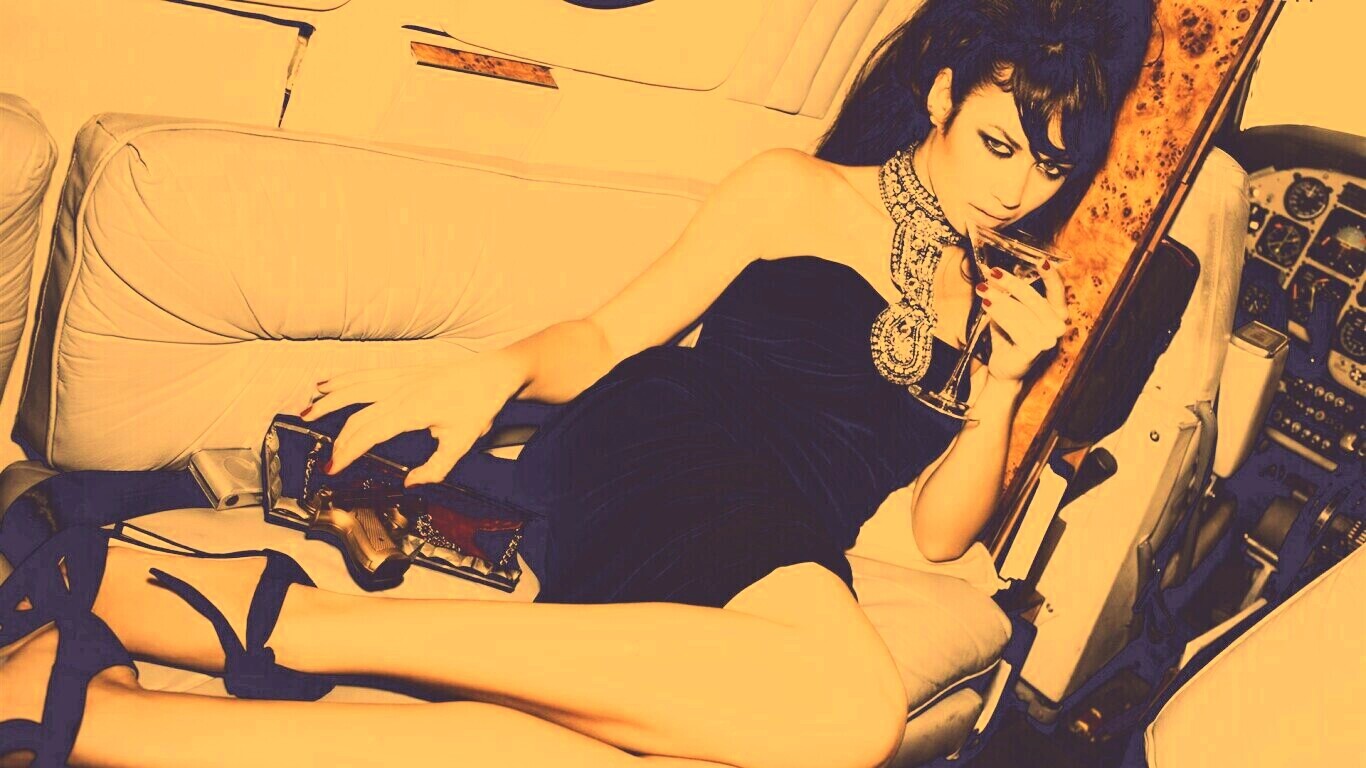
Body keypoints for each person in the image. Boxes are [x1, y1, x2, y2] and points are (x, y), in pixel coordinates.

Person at [0, 0, 1153, 766]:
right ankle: (301, 628)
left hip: (782, 550)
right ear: (942, 94)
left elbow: (938, 535)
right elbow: (607, 337)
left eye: (1050, 168)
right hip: (673, 461)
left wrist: (1006, 384)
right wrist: (494, 371)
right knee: (849, 714)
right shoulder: (801, 191)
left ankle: (83, 711)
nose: (1015, 190)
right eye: (999, 144)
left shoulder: (990, 299)